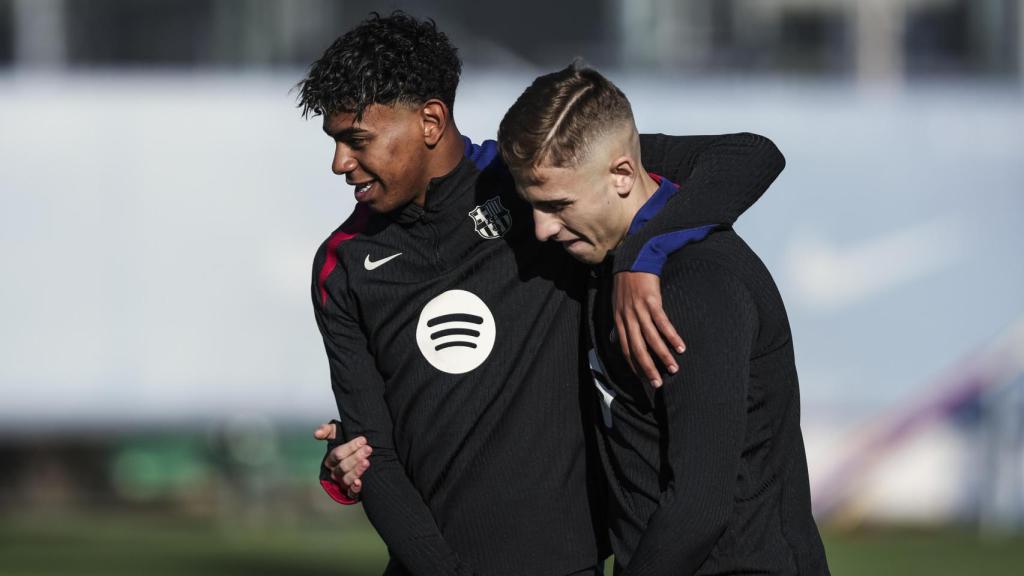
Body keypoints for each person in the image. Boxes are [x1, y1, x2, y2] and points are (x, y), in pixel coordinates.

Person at [299, 12, 784, 576]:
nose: (339, 163)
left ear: (431, 120)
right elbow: (369, 453)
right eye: (334, 142)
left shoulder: (537, 184)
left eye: (356, 140)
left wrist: (639, 257)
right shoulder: (342, 263)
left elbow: (747, 156)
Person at [497, 63, 830, 574]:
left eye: (558, 205)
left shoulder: (695, 287)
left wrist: (643, 254)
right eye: (533, 206)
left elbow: (699, 507)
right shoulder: (603, 249)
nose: (542, 229)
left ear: (624, 175)